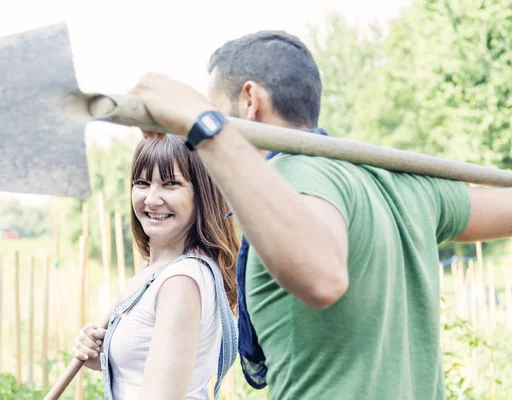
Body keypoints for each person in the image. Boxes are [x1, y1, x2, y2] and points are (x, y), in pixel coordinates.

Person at [127, 30, 512, 400]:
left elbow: (322, 278)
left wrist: (200, 124)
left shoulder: (293, 179)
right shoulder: (399, 184)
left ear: (249, 101)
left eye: (217, 109)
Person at [71, 135, 240, 399]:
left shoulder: (181, 281)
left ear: (202, 194)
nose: (151, 199)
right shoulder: (155, 268)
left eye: (171, 184)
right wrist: (105, 355)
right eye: (142, 183)